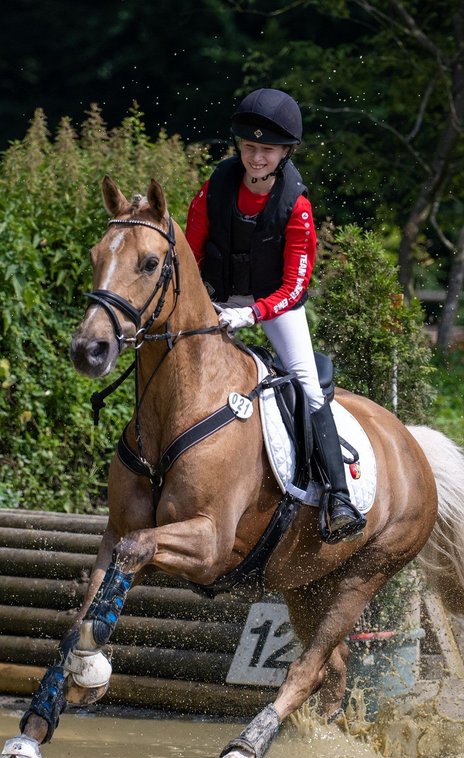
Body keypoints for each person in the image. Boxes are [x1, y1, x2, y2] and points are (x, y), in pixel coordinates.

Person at [184, 88, 366, 543]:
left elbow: (294, 287)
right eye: (249, 147)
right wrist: (200, 304)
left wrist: (251, 315)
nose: (256, 157)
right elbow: (189, 254)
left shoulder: (297, 207)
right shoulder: (215, 188)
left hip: (274, 305)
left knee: (307, 382)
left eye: (266, 149)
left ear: (284, 152)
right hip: (218, 297)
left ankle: (337, 497)